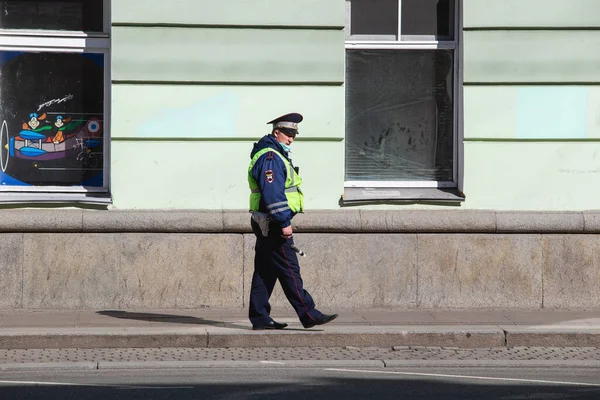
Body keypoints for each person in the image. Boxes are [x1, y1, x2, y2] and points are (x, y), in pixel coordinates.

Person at [247, 112, 338, 330]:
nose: (291, 138)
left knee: (265, 271)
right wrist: (284, 222)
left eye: (294, 134)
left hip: (266, 222)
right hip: (274, 223)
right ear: (276, 132)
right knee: (289, 268)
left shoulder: (274, 154)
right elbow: (273, 194)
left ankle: (259, 316)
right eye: (288, 133)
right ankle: (309, 313)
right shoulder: (270, 157)